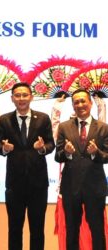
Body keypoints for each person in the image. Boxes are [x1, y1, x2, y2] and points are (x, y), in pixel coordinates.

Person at [0, 82, 55, 250]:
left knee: (37, 229)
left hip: (38, 184)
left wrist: (42, 148)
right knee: (14, 229)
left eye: (24, 95)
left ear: (31, 97)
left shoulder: (43, 118)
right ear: (12, 98)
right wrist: (4, 149)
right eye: (17, 95)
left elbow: (51, 144)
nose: (21, 99)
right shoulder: (5, 119)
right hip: (14, 184)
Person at [55, 89, 108, 250]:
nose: (80, 105)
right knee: (71, 230)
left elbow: (107, 156)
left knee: (98, 230)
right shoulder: (64, 127)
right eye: (76, 102)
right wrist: (67, 153)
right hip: (71, 187)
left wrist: (96, 153)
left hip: (95, 187)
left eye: (83, 101)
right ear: (72, 105)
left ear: (90, 103)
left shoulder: (103, 128)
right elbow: (58, 156)